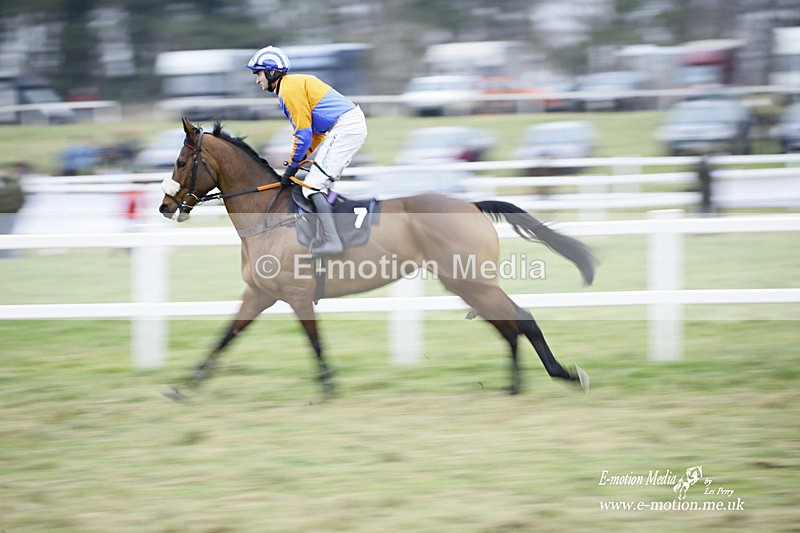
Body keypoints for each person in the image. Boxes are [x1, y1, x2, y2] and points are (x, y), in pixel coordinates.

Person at [246, 45, 367, 256]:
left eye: (258, 73)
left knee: (312, 185)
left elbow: (302, 134)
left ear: (272, 71)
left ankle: (333, 242)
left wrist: (292, 167)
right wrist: (299, 163)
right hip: (348, 125)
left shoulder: (288, 89)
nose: (257, 80)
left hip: (346, 127)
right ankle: (331, 232)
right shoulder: (292, 85)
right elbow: (314, 134)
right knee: (316, 181)